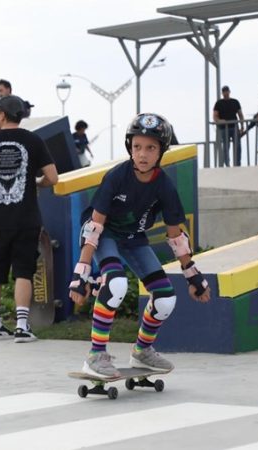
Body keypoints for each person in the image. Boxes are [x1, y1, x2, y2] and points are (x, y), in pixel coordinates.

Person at [69, 113, 210, 378]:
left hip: (134, 238)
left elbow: (176, 237)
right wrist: (82, 271)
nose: (142, 154)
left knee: (166, 298)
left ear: (161, 152)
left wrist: (192, 274)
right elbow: (95, 226)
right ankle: (95, 355)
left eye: (150, 148)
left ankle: (142, 352)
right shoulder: (116, 177)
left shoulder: (165, 187)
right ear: (129, 147)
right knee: (116, 284)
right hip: (104, 235)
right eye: (137, 147)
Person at [0, 95, 59, 343]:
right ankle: (21, 326)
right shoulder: (34, 141)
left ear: (1, 115)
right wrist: (38, 182)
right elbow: (53, 177)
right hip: (27, 218)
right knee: (23, 271)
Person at [213, 86, 244, 167]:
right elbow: (215, 116)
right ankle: (227, 164)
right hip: (224, 128)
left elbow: (240, 114)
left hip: (234, 127)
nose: (225, 93)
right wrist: (220, 121)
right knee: (226, 146)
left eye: (227, 91)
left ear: (229, 92)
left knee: (237, 145)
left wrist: (242, 126)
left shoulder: (235, 101)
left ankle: (237, 164)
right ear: (222, 93)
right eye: (224, 91)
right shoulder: (219, 103)